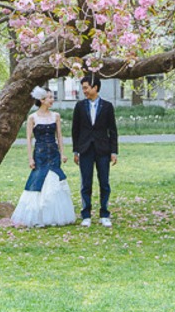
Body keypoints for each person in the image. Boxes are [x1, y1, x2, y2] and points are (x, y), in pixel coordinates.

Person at [10, 88, 77, 227]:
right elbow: (29, 139)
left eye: (52, 97)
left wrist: (63, 153)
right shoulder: (32, 118)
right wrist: (30, 158)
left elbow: (59, 136)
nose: (52, 100)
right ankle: (38, 214)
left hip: (53, 152)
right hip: (40, 153)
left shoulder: (56, 116)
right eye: (49, 98)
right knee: (38, 179)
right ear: (42, 100)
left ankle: (54, 214)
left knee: (54, 179)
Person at [72, 73, 118, 227]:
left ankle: (104, 214)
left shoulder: (107, 106)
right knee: (86, 183)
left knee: (104, 183)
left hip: (103, 149)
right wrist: (76, 151)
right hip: (85, 149)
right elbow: (75, 130)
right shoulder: (79, 106)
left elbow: (113, 130)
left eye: (86, 87)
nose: (84, 90)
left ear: (95, 87)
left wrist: (114, 152)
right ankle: (86, 215)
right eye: (83, 88)